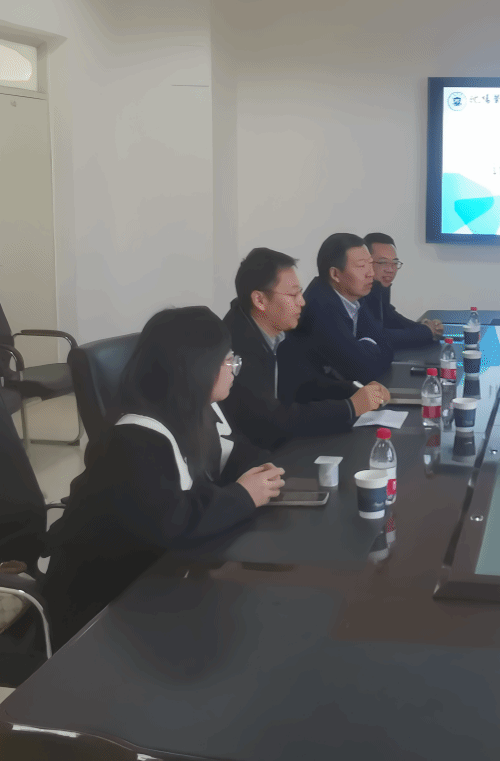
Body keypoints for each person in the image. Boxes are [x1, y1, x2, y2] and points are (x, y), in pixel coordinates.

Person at [44, 307, 285, 648]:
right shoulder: (136, 438)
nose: (234, 369)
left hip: (153, 579)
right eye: (228, 360)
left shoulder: (193, 410)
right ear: (197, 368)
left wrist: (260, 471)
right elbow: (174, 524)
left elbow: (227, 453)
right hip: (102, 608)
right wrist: (244, 496)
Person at [222, 248, 389, 450]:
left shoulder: (279, 334)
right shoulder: (236, 347)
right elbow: (271, 420)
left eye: (300, 293)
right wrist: (350, 407)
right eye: (293, 294)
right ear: (259, 300)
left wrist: (358, 391)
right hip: (253, 457)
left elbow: (305, 385)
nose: (301, 302)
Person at [293, 233, 395, 384]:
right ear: (335, 274)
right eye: (361, 266)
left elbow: (386, 345)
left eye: (370, 264)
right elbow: (364, 370)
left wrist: (364, 347)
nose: (371, 273)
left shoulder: (354, 298)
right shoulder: (320, 308)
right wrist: (370, 346)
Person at [362, 232, 443, 349]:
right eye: (383, 262)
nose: (390, 269)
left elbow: (389, 317)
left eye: (395, 263)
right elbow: (378, 337)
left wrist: (427, 327)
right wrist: (425, 331)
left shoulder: (378, 288)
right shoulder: (358, 293)